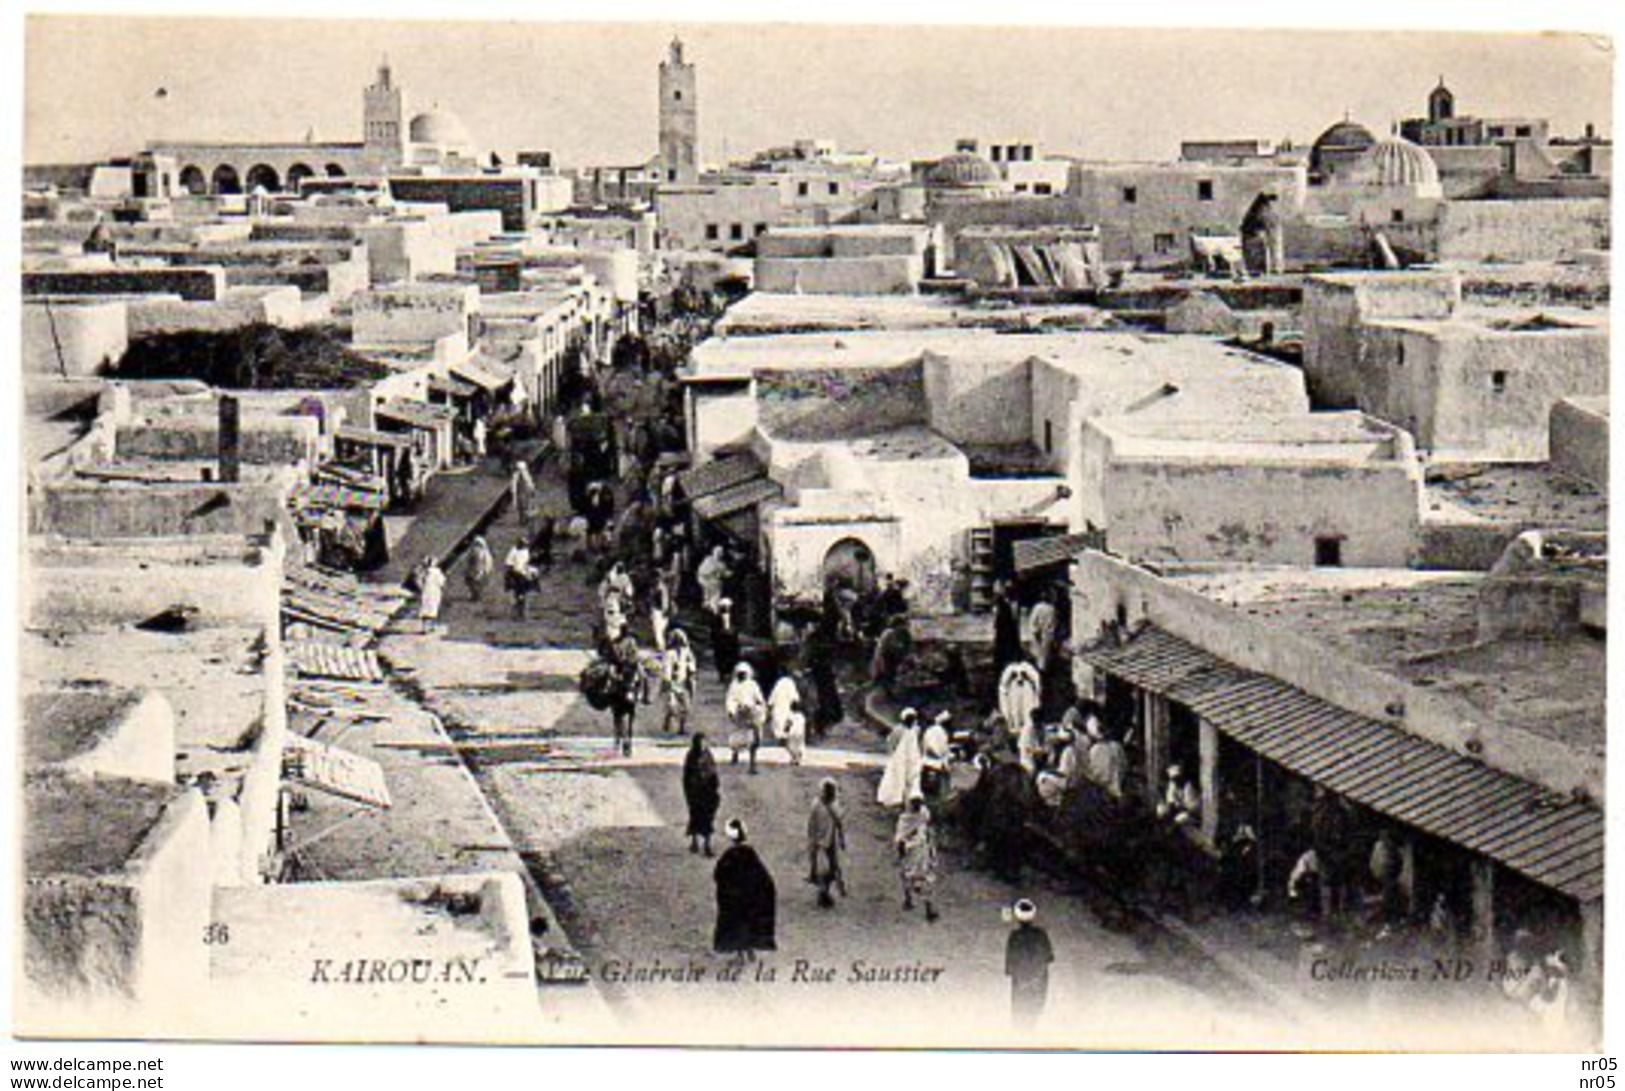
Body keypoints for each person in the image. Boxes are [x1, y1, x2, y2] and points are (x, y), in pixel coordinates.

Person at [713, 819, 777, 957]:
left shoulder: (728, 856)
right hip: (750, 896)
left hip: (734, 897)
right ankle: (748, 949)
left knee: (737, 923)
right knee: (748, 921)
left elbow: (718, 875)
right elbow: (763, 878)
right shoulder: (750, 854)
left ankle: (740, 950)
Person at [1005, 899, 1055, 1029]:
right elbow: (1049, 958)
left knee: (1019, 1011)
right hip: (1038, 978)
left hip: (1020, 980)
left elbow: (1010, 965)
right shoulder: (1041, 935)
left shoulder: (1014, 936)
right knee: (1034, 1011)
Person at [894, 794, 940, 922]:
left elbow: (899, 840)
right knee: (922, 878)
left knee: (910, 876)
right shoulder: (922, 815)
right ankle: (921, 904)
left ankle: (917, 903)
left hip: (916, 852)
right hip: (919, 852)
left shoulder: (905, 819)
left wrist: (900, 854)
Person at [806, 779, 847, 908]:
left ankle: (822, 891)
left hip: (819, 841)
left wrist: (811, 840)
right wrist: (841, 839)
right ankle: (824, 893)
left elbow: (811, 824)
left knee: (823, 868)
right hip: (828, 841)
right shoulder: (834, 806)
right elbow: (839, 823)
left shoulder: (816, 804)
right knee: (830, 868)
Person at [999, 660, 1043, 769]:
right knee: (1015, 715)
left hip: (1027, 693)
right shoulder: (1009, 672)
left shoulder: (1029, 671)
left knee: (1026, 714)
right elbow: (1003, 689)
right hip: (1013, 694)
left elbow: (1036, 684)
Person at [724, 662, 767, 773]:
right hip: (739, 717)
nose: (741, 676)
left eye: (743, 673)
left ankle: (752, 764)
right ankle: (735, 753)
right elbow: (730, 700)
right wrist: (732, 711)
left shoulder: (753, 685)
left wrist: (757, 709)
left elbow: (759, 700)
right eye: (739, 674)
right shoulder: (734, 686)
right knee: (737, 738)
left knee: (753, 741)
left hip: (752, 716)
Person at [682, 732, 720, 856]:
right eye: (700, 742)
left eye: (704, 742)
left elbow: (713, 772)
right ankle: (694, 842)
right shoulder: (691, 756)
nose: (703, 745)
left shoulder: (708, 755)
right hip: (695, 793)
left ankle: (707, 845)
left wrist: (715, 788)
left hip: (708, 792)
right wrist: (688, 792)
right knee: (695, 817)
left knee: (708, 819)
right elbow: (686, 776)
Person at [606, 629, 642, 757]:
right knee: (626, 716)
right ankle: (624, 740)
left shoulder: (618, 643)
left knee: (618, 716)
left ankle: (621, 740)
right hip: (624, 675)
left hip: (625, 675)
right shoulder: (624, 643)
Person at [877, 709, 924, 807]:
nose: (911, 721)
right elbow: (891, 743)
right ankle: (894, 797)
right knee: (896, 776)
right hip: (899, 757)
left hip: (912, 756)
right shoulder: (898, 729)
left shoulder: (916, 730)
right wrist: (893, 755)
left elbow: (917, 744)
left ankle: (911, 797)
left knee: (913, 776)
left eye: (912, 719)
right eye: (909, 719)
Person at [661, 628, 698, 734]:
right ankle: (667, 720)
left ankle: (682, 727)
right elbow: (666, 668)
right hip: (672, 682)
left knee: (685, 706)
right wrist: (667, 680)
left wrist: (691, 673)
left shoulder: (687, 652)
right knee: (671, 706)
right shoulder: (669, 654)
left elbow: (692, 664)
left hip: (683, 682)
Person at [920, 712, 952, 801]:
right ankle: (944, 795)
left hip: (927, 759)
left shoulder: (929, 731)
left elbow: (926, 745)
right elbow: (942, 748)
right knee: (945, 776)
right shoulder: (942, 732)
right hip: (937, 761)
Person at [992, 581, 1022, 674]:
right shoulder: (1001, 603)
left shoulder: (1013, 603)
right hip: (1004, 631)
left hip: (1009, 630)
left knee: (1009, 649)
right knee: (1003, 649)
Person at [767, 670, 802, 747]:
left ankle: (781, 738)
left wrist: (769, 706)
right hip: (786, 707)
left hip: (778, 707)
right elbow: (794, 697)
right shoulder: (790, 683)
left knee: (778, 724)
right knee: (787, 722)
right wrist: (797, 703)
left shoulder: (779, 683)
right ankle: (784, 737)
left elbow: (773, 696)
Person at [710, 597, 740, 683]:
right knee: (721, 658)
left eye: (727, 606)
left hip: (731, 641)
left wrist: (733, 632)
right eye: (724, 607)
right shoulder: (716, 618)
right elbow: (713, 630)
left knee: (732, 657)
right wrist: (720, 633)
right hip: (721, 642)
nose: (726, 608)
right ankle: (722, 675)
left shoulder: (734, 617)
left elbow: (737, 627)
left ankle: (731, 673)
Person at [504, 540, 536, 619]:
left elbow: (526, 563)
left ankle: (523, 614)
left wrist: (529, 571)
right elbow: (509, 564)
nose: (523, 546)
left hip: (524, 575)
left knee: (523, 596)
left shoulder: (526, 552)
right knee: (516, 595)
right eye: (522, 544)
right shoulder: (513, 551)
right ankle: (516, 614)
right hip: (515, 575)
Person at [697, 545, 729, 616]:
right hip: (706, 580)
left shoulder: (721, 564)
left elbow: (724, 573)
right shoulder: (708, 560)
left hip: (713, 582)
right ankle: (711, 608)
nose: (719, 554)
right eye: (718, 552)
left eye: (720, 552)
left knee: (715, 592)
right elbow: (703, 571)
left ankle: (712, 608)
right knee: (713, 593)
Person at [418, 557, 446, 633]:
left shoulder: (424, 572)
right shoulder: (437, 572)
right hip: (435, 592)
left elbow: (419, 581)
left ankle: (424, 628)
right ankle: (432, 626)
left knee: (425, 608)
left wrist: (422, 588)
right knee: (433, 608)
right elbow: (441, 582)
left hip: (426, 592)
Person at [463, 536, 494, 603]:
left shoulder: (484, 552)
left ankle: (477, 596)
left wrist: (485, 570)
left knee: (477, 583)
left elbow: (488, 562)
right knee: (470, 582)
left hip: (480, 570)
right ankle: (474, 595)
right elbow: (468, 561)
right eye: (475, 544)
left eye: (478, 544)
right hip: (471, 570)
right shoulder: (472, 551)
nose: (476, 546)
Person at [511, 459, 537, 536]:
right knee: (521, 507)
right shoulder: (516, 476)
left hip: (526, 493)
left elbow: (530, 483)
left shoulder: (526, 475)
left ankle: (526, 520)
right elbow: (513, 486)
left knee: (527, 506)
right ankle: (522, 520)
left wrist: (532, 490)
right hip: (520, 493)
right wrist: (514, 494)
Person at [649, 572, 673, 653]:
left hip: (659, 612)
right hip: (661, 612)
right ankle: (662, 647)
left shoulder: (659, 588)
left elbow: (663, 602)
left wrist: (664, 611)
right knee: (660, 632)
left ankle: (661, 649)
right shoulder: (663, 587)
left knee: (658, 632)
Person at [783, 699, 808, 766]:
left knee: (790, 746)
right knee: (800, 746)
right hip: (800, 733)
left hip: (792, 733)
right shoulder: (802, 716)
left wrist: (785, 731)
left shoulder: (790, 715)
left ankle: (793, 757)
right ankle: (798, 759)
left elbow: (788, 724)